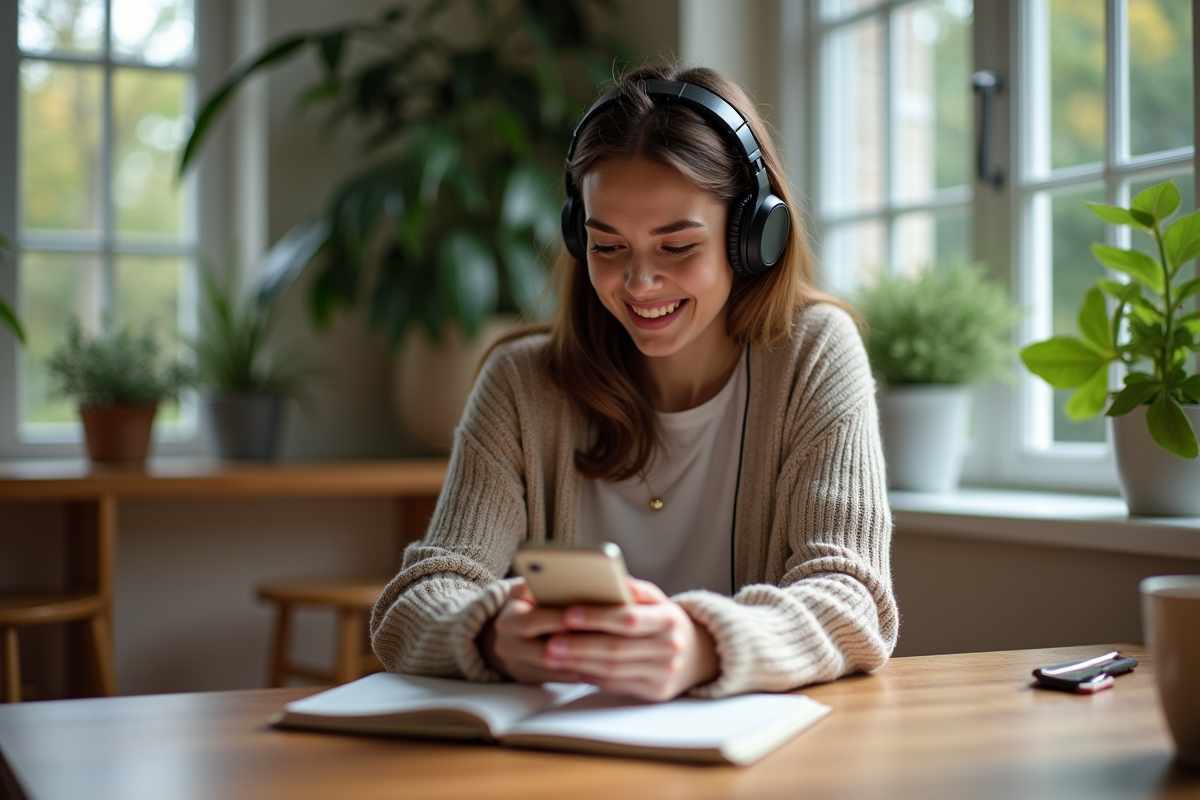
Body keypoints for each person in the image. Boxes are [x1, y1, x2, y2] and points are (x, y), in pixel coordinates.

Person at [370, 64, 898, 702]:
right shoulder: (520, 382)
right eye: (608, 247)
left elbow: (854, 596)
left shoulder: (814, 353)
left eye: (676, 248)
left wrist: (703, 645)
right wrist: (489, 634)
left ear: (753, 236)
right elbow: (412, 602)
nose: (639, 285)